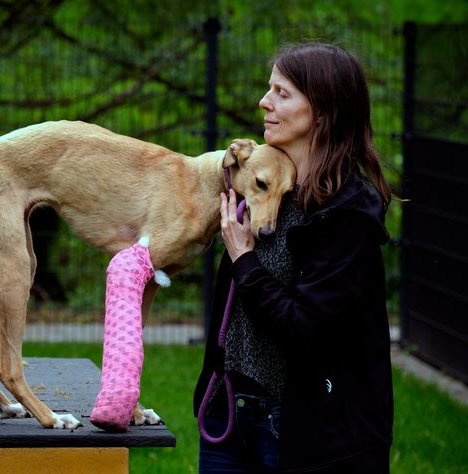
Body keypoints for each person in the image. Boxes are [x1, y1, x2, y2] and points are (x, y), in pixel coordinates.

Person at [194, 42, 394, 473]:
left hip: (304, 427)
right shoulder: (262, 183)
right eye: (269, 89)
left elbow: (306, 327)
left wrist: (245, 261)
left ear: (322, 110)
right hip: (228, 411)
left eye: (282, 93)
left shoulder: (348, 214)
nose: (264, 102)